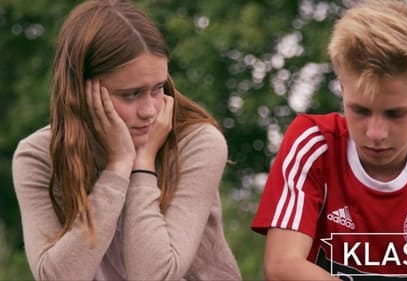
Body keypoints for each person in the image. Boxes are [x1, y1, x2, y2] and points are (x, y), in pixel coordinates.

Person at [251, 0, 407, 280]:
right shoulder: (314, 143)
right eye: (360, 110)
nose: (376, 133)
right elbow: (283, 267)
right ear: (342, 87)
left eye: (395, 114)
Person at [11, 0, 241, 280]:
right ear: (80, 91)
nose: (149, 111)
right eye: (130, 94)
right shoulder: (38, 156)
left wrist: (142, 165)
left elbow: (154, 275)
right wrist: (117, 167)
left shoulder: (197, 143)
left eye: (158, 89)